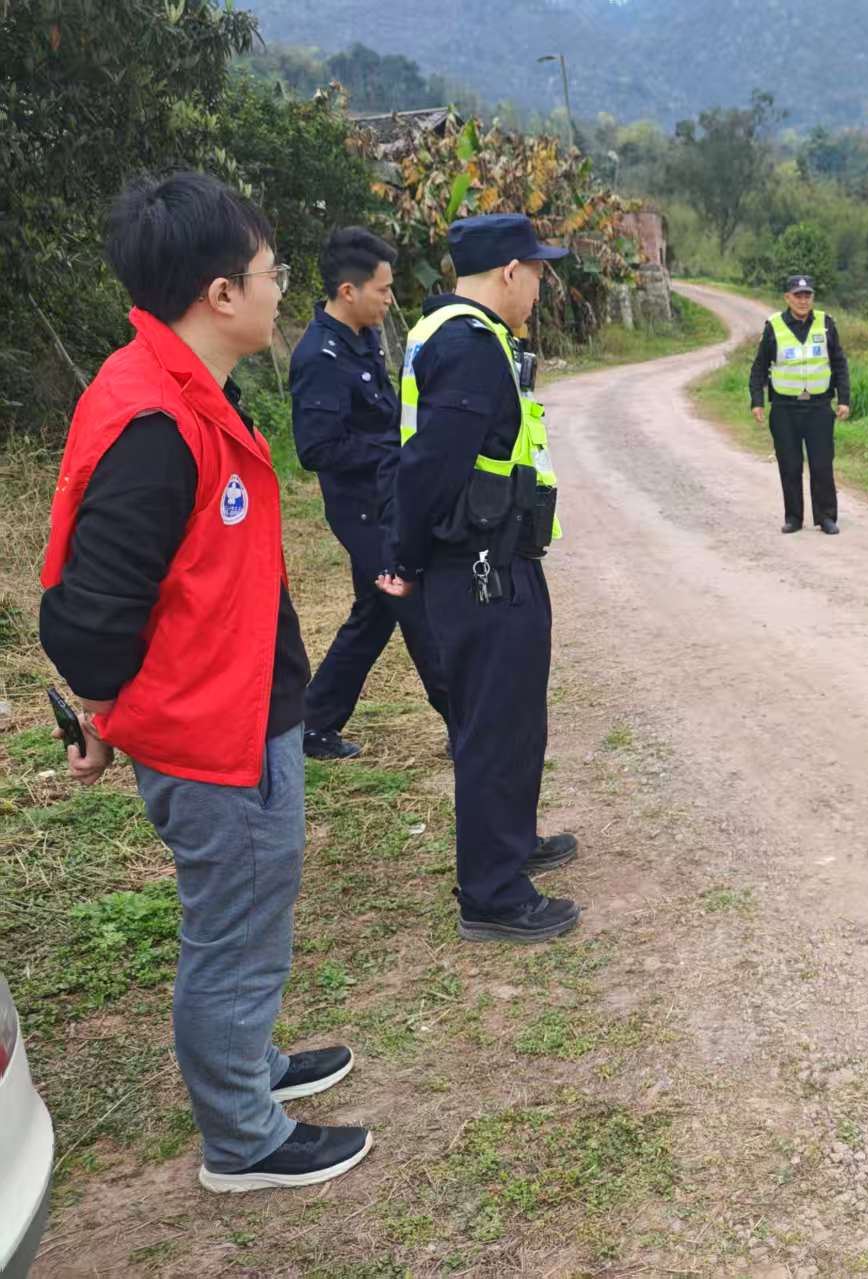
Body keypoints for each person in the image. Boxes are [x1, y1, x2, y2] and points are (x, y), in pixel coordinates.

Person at [38, 173, 370, 1192]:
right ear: (220, 294)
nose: (282, 292)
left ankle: (251, 1064)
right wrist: (110, 709)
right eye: (272, 275)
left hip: (239, 715)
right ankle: (244, 1136)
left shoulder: (180, 386)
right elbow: (87, 624)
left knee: (250, 917)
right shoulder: (155, 424)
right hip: (215, 739)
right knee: (232, 930)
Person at [383, 213, 583, 944]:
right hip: (478, 566)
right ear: (508, 271)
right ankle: (493, 894)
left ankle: (511, 841)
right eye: (536, 271)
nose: (539, 285)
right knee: (493, 724)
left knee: (515, 715)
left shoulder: (467, 336)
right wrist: (401, 560)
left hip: (498, 558)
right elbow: (430, 467)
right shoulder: (468, 347)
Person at [291, 228, 451, 760]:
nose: (390, 299)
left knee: (374, 612)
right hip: (362, 509)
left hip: (385, 498)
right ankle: (466, 720)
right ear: (347, 291)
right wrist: (392, 453)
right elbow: (317, 448)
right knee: (413, 601)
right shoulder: (319, 357)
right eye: (382, 289)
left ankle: (313, 723)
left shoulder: (362, 339)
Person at [748, 273, 851, 534]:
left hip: (818, 406)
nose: (803, 301)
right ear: (787, 298)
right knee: (790, 464)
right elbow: (759, 367)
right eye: (798, 295)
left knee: (821, 464)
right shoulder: (774, 326)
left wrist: (844, 399)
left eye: (807, 296)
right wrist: (757, 402)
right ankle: (794, 518)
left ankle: (826, 517)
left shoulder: (825, 324)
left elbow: (839, 363)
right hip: (785, 408)